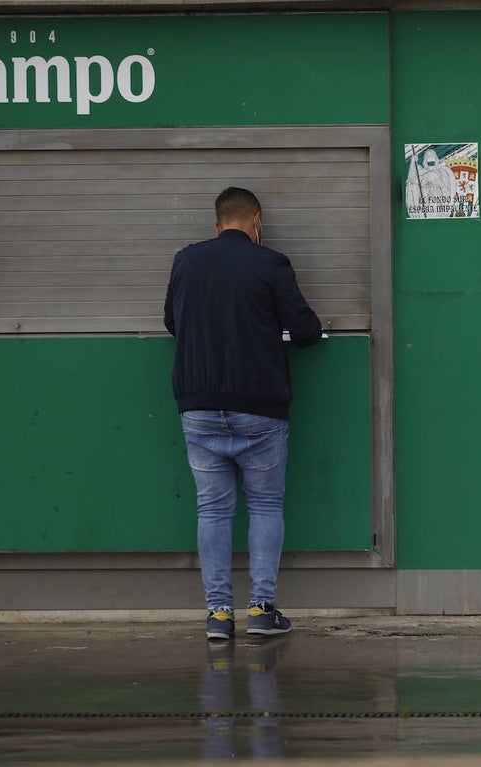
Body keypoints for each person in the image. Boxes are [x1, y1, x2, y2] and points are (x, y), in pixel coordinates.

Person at [164, 187, 324, 640]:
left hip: (197, 405)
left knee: (212, 510)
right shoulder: (270, 262)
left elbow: (171, 322)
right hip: (259, 407)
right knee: (265, 504)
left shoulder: (186, 260)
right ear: (256, 220)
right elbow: (305, 328)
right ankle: (261, 610)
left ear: (217, 224)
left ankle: (218, 616)